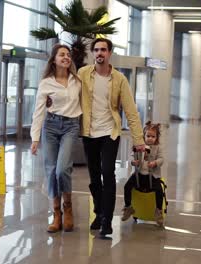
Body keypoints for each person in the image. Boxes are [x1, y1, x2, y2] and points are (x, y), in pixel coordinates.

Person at [78, 38, 145, 236]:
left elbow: (131, 111)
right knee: (93, 176)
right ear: (93, 53)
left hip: (110, 132)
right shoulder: (83, 74)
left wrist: (139, 140)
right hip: (89, 132)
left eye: (103, 50)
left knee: (108, 172)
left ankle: (107, 219)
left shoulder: (119, 79)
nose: (100, 53)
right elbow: (68, 92)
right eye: (96, 50)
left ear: (109, 53)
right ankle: (98, 212)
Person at [30, 44, 82, 233]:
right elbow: (38, 111)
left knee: (62, 170)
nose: (66, 57)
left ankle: (68, 208)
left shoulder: (77, 81)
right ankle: (57, 214)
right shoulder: (46, 83)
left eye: (68, 55)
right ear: (54, 60)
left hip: (71, 126)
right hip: (50, 126)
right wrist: (35, 138)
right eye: (62, 55)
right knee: (51, 171)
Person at [121, 121, 165, 226]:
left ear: (156, 138)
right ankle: (128, 207)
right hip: (139, 175)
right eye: (148, 136)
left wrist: (155, 163)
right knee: (127, 186)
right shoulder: (139, 146)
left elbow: (162, 159)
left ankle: (158, 211)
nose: (150, 138)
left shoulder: (158, 148)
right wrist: (133, 161)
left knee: (159, 190)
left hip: (153, 176)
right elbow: (131, 155)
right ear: (144, 136)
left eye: (153, 136)